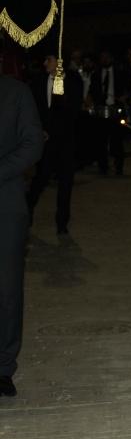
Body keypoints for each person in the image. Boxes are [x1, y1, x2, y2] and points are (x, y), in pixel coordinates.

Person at [0, 75, 45, 397]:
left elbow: (33, 144)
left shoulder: (16, 92)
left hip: (5, 202)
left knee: (6, 290)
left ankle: (3, 367)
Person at [27, 54, 83, 235]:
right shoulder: (38, 82)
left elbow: (73, 112)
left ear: (58, 62)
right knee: (41, 178)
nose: (44, 63)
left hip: (66, 141)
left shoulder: (73, 82)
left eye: (48, 60)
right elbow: (34, 109)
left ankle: (62, 223)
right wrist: (40, 129)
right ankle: (27, 212)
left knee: (66, 183)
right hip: (46, 141)